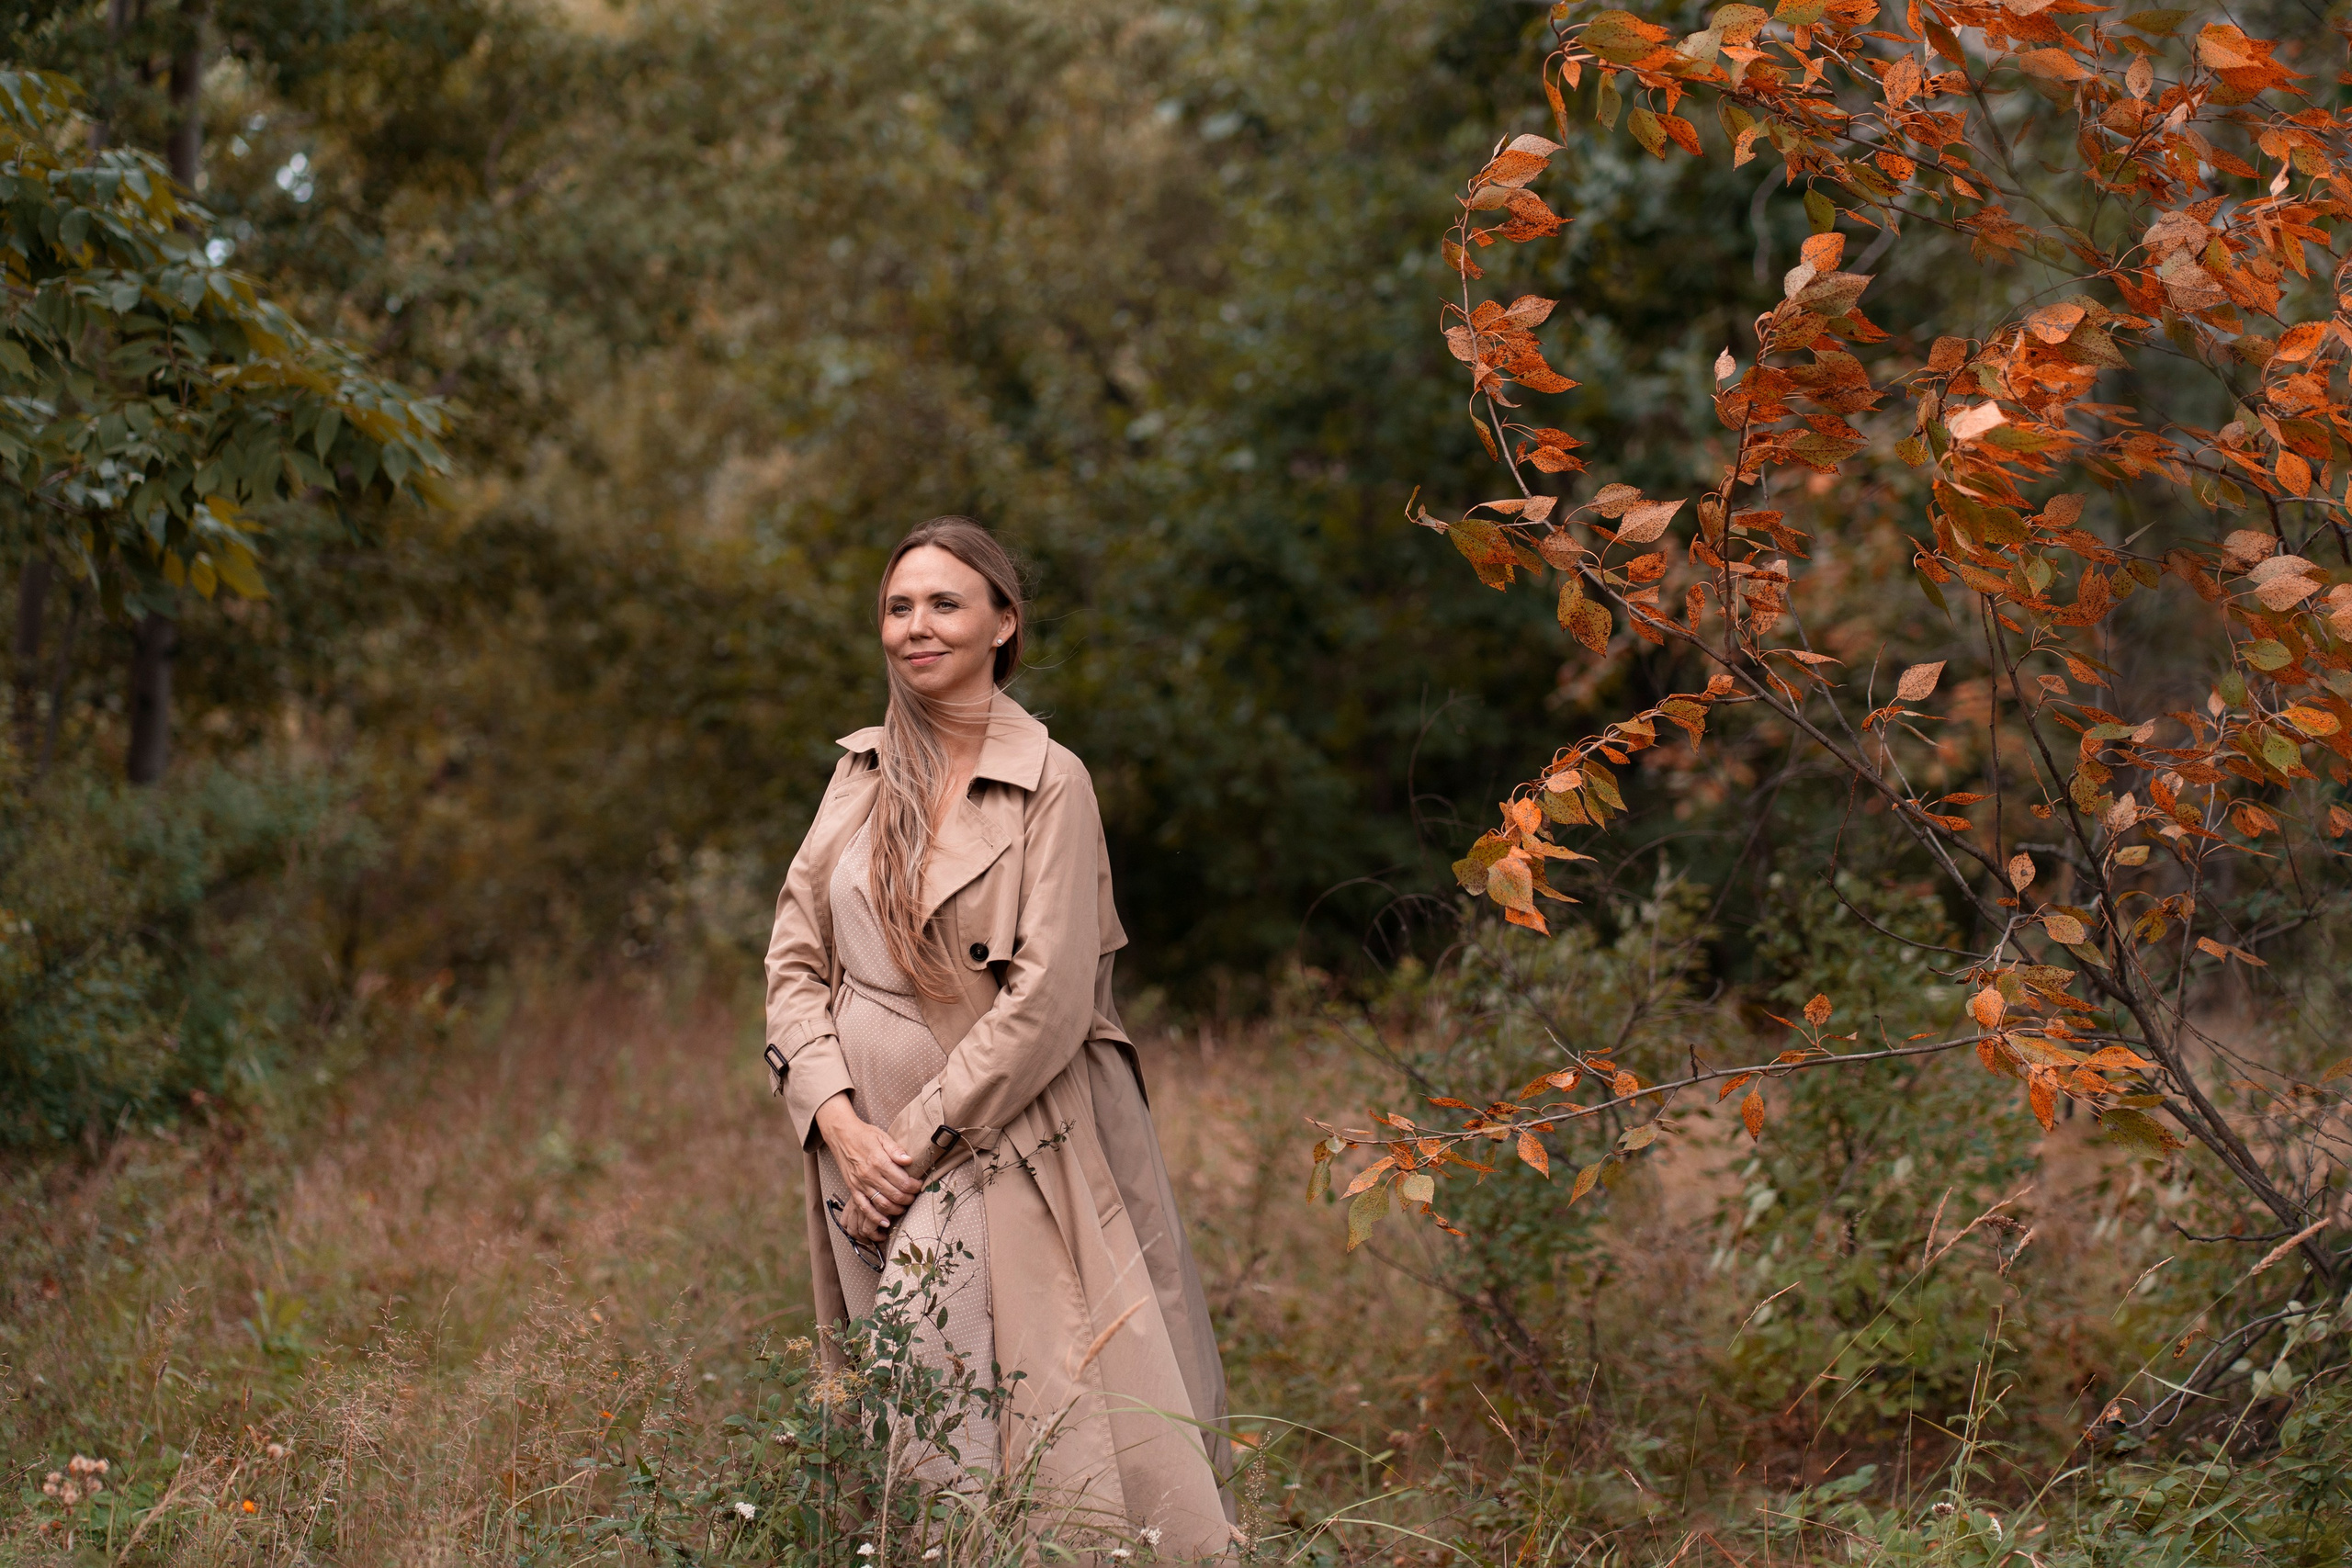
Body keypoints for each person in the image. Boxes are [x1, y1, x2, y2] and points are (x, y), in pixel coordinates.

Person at [763, 516, 1232, 1554]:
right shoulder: (859, 774)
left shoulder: (1052, 781)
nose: (914, 627)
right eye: (897, 607)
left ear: (1002, 624)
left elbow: (1048, 1002)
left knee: (974, 1379)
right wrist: (841, 1125)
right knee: (922, 1404)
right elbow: (793, 963)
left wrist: (913, 1146)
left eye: (944, 604)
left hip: (995, 1137)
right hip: (860, 1147)